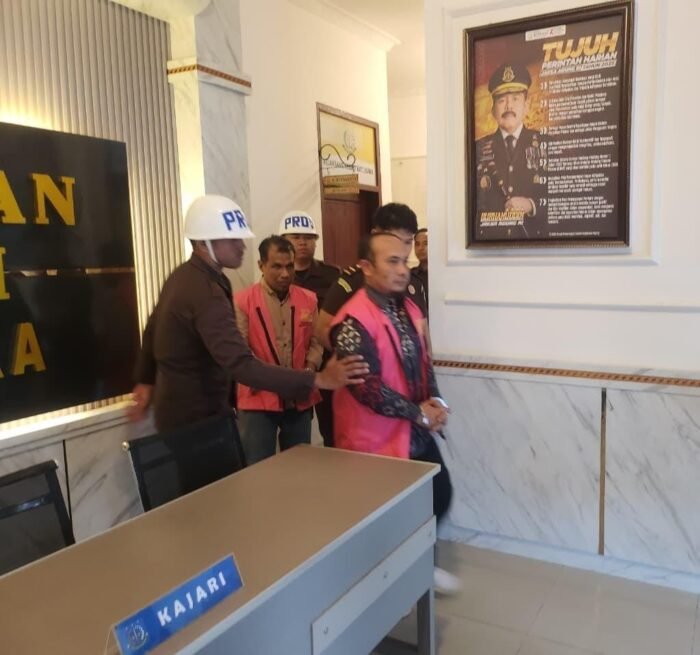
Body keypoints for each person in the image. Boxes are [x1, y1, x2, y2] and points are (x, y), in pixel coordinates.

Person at [129, 195, 368, 432]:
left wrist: (145, 379)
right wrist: (318, 379)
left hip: (190, 412)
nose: (242, 247)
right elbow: (241, 364)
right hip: (196, 418)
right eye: (233, 240)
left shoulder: (187, 275)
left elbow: (152, 328)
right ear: (203, 243)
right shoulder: (205, 291)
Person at [330, 232, 462, 595]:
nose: (403, 269)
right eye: (392, 261)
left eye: (405, 261)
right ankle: (388, 587)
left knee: (439, 494)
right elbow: (366, 387)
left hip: (412, 431)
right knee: (385, 523)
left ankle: (418, 569)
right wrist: (418, 412)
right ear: (366, 267)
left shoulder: (408, 308)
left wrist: (436, 402)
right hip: (374, 442)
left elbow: (424, 360)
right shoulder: (353, 321)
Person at [234, 235, 323, 464]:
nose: (285, 274)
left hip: (299, 396)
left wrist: (309, 369)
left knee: (300, 466)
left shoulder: (309, 299)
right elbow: (241, 350)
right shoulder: (242, 301)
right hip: (257, 398)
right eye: (276, 266)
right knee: (257, 467)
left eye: (289, 266)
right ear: (261, 265)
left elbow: (316, 341)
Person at [317, 202, 428, 350]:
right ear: (375, 235)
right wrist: (350, 355)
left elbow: (424, 335)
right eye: (394, 240)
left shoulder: (414, 283)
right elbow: (322, 330)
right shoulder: (352, 282)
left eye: (408, 242)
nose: (402, 248)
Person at [278, 210, 339, 447]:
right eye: (296, 237)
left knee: (332, 428)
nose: (302, 242)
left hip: (326, 362)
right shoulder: (277, 276)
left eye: (308, 237)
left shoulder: (332, 275)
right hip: (289, 364)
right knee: (295, 432)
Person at [476, 63, 547, 238]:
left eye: (515, 99)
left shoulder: (547, 144)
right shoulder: (477, 149)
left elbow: (564, 202)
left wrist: (531, 205)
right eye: (502, 100)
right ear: (493, 109)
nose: (509, 106)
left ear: (527, 105)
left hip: (534, 245)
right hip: (491, 247)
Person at [411, 228, 428, 306]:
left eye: (426, 243)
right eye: (417, 244)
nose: (421, 248)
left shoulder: (441, 274)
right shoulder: (411, 275)